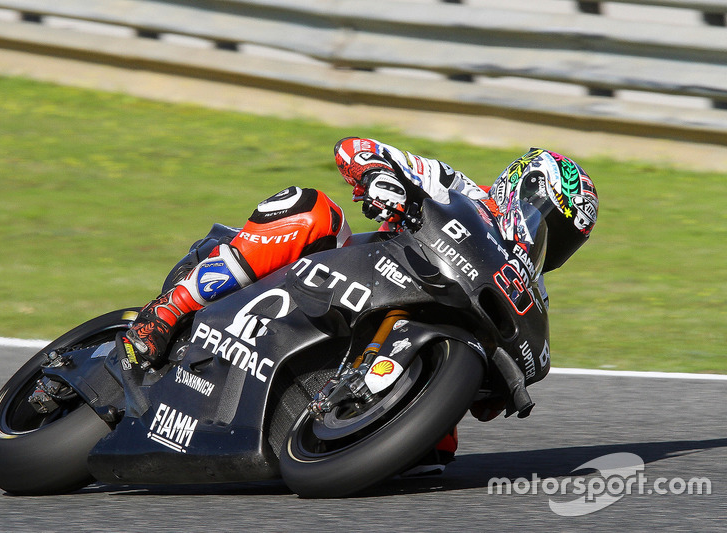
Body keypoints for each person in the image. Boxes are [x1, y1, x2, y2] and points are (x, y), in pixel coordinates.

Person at [122, 136, 598, 473]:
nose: (548, 243)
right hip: (343, 275)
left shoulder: (523, 288)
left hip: (407, 335)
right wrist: (379, 177)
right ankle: (169, 310)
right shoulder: (456, 188)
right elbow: (355, 146)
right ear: (522, 187)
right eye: (548, 222)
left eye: (563, 242)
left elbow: (489, 405)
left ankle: (340, 424)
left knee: (439, 451)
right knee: (312, 209)